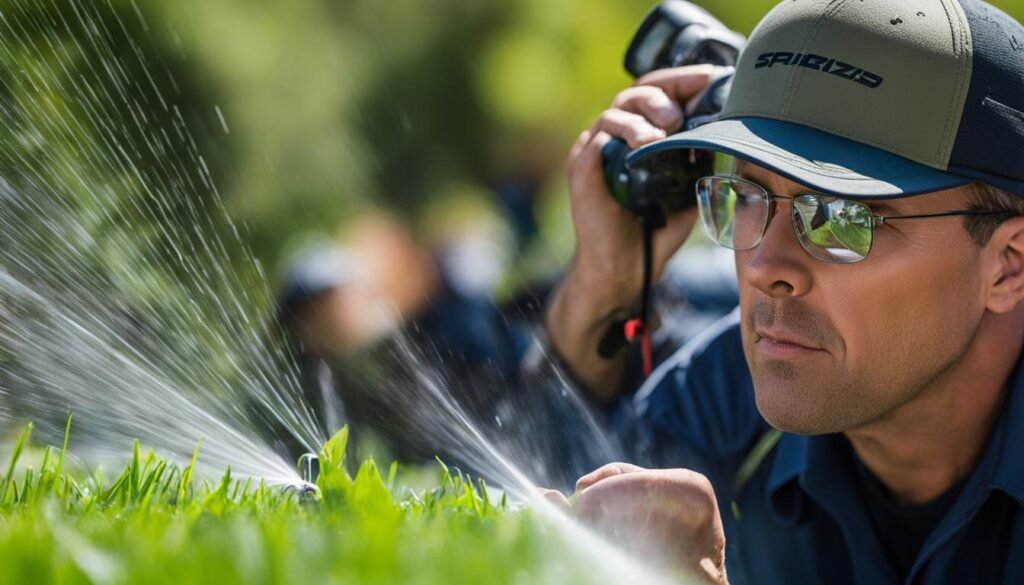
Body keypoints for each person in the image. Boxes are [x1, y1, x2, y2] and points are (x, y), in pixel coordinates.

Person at [541, 1, 1024, 583]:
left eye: (844, 216)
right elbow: (528, 485)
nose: (764, 266)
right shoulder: (714, 400)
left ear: (1008, 265)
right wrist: (602, 286)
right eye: (748, 195)